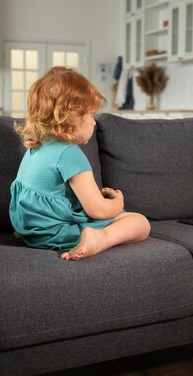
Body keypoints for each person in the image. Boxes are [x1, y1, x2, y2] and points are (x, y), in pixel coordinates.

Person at [10, 66, 150, 261]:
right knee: (140, 223)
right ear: (70, 117)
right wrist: (118, 203)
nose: (94, 123)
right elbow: (99, 210)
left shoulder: (37, 147)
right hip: (56, 233)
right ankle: (99, 239)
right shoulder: (69, 153)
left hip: (32, 231)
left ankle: (38, 232)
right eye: (91, 116)